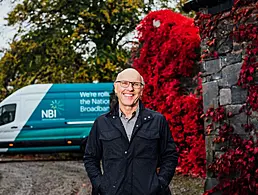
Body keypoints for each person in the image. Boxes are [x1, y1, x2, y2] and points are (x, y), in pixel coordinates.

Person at [83, 68, 178, 195]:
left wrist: (160, 184)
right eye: (124, 83)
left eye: (135, 84)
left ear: (142, 90)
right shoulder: (101, 123)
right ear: (116, 88)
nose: (130, 88)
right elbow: (90, 157)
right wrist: (100, 185)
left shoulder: (157, 121)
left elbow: (170, 155)